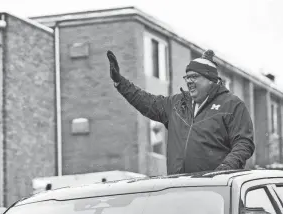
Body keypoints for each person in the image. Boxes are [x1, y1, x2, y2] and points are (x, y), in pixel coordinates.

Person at [107, 49, 255, 175]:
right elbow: (146, 101)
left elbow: (244, 143)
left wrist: (225, 169)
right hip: (179, 188)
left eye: (194, 76)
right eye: (187, 77)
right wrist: (120, 82)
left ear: (211, 79)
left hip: (215, 190)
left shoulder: (231, 105)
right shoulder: (176, 104)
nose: (189, 81)